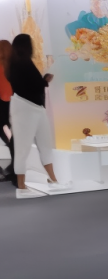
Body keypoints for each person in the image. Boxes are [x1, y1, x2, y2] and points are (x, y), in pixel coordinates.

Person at [6, 34, 65, 198]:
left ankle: (50, 180)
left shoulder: (14, 65)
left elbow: (30, 85)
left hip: (31, 108)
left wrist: (43, 81)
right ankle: (23, 185)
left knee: (35, 145)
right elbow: (35, 85)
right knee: (26, 148)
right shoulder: (23, 64)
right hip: (27, 107)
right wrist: (45, 80)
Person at [0, 39, 13, 181]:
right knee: (6, 130)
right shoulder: (13, 66)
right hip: (12, 102)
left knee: (4, 130)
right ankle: (15, 165)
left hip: (1, 102)